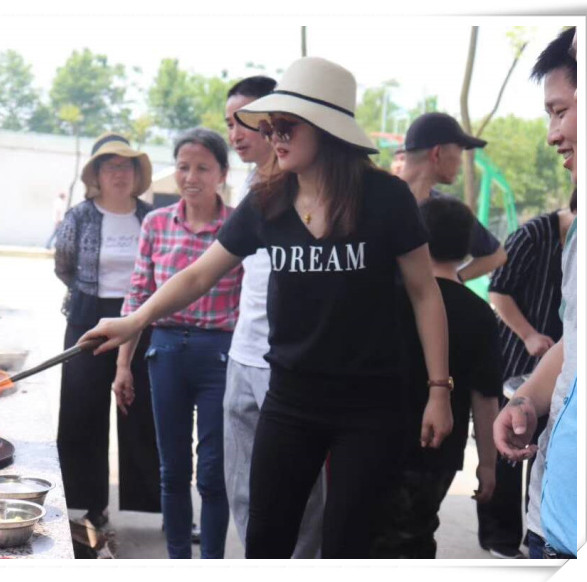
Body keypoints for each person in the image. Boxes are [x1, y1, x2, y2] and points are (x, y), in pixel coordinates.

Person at [81, 57, 453, 559]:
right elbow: (198, 274)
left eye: (286, 126)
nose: (273, 136)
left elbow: (424, 292)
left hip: (371, 406)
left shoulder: (385, 198)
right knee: (265, 541)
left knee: (348, 545)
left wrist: (438, 391)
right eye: (270, 125)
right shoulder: (270, 200)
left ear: (327, 128)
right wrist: (135, 321)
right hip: (291, 398)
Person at [112, 127, 242, 559]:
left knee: (212, 473)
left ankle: (212, 563)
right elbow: (137, 297)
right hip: (164, 352)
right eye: (184, 167)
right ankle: (177, 561)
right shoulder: (155, 223)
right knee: (172, 471)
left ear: (222, 173)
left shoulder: (239, 226)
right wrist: (123, 364)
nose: (191, 176)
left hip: (220, 357)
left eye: (203, 167)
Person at [223, 75, 325, 558]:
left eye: (248, 122)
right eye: (230, 123)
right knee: (243, 490)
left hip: (290, 367)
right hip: (242, 356)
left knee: (301, 500)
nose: (237, 133)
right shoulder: (251, 190)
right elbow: (205, 274)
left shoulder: (314, 191)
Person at [371, 195, 501, 559]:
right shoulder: (479, 314)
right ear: (466, 249)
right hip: (439, 451)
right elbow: (486, 397)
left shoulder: (387, 298)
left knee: (368, 538)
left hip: (376, 440)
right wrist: (488, 465)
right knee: (417, 535)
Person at [493, 26, 578, 560]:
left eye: (561, 110)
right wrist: (527, 397)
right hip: (550, 527)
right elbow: (498, 291)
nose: (552, 133)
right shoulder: (539, 233)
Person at [53, 133, 160, 529]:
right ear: (97, 174)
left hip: (143, 319)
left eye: (126, 165)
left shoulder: (151, 217)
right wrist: (91, 298)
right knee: (83, 411)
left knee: (143, 410)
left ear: (137, 173)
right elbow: (63, 265)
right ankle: (87, 504)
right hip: (88, 319)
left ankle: (155, 505)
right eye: (110, 166)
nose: (119, 173)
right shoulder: (80, 215)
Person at [477, 203, 574, 559]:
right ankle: (499, 539)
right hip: (518, 362)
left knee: (541, 451)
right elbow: (498, 291)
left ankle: (529, 530)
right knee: (507, 452)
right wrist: (530, 334)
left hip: (558, 373)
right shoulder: (533, 235)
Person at [400, 112, 507, 282]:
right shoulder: (379, 199)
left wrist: (446, 282)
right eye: (460, 151)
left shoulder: (444, 213)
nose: (460, 161)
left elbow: (496, 255)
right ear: (437, 153)